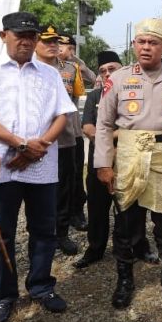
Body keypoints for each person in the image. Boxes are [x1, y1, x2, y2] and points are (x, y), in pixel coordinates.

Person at [0, 12, 78, 322]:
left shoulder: (48, 73)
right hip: (0, 164)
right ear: (4, 36)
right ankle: (4, 294)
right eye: (20, 36)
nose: (27, 42)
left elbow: (62, 115)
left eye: (32, 36)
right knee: (0, 234)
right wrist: (19, 144)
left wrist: (37, 146)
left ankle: (41, 285)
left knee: (44, 230)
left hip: (42, 164)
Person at [95, 18, 162, 304]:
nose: (146, 48)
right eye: (141, 42)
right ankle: (125, 278)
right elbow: (104, 124)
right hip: (129, 156)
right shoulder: (117, 79)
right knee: (127, 222)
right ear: (134, 45)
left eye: (153, 43)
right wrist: (103, 164)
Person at [75, 50, 159, 269]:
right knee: (96, 209)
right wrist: (109, 135)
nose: (106, 73)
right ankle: (95, 249)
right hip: (99, 162)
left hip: (130, 160)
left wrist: (105, 135)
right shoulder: (95, 96)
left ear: (123, 69)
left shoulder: (136, 93)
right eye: (102, 71)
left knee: (134, 208)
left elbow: (139, 127)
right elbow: (87, 127)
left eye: (112, 69)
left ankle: (139, 247)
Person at [35, 26, 83, 256]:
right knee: (36, 191)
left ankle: (61, 233)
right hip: (35, 140)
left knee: (64, 189)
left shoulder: (71, 69)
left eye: (55, 41)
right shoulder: (27, 68)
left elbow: (74, 100)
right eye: (47, 41)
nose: (53, 45)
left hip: (64, 140)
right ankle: (41, 234)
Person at [59, 33, 94, 231]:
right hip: (53, 136)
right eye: (63, 46)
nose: (67, 51)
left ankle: (76, 212)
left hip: (74, 132)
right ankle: (58, 220)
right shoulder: (45, 66)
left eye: (71, 47)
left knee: (75, 174)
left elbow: (94, 79)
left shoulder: (73, 68)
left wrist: (76, 59)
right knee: (59, 180)